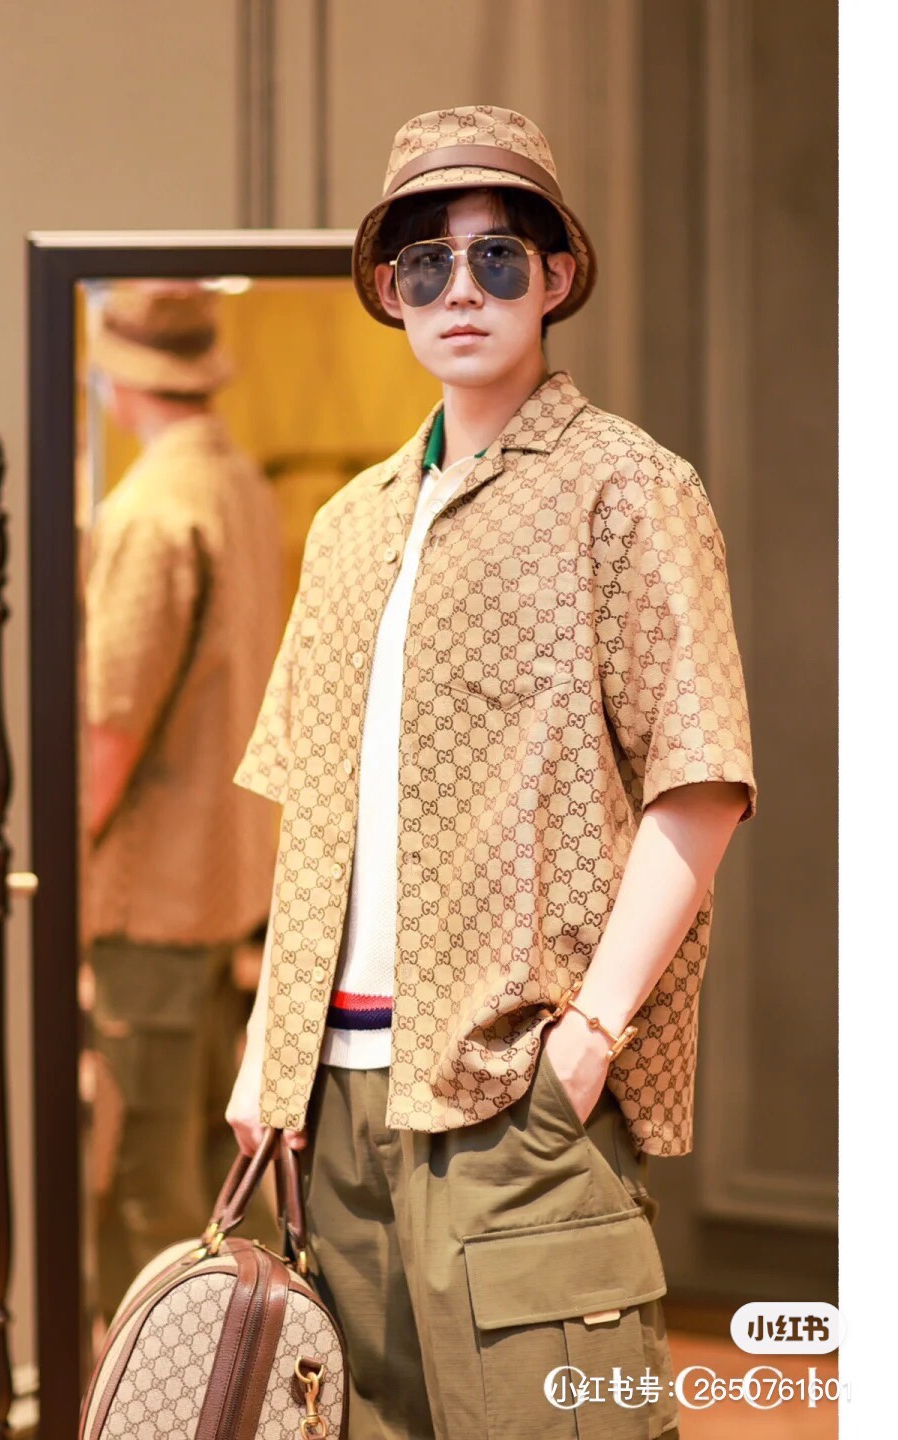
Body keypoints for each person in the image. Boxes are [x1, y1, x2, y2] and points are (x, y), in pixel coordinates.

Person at [226, 106, 757, 1440]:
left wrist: (590, 1040)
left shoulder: (629, 489)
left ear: (556, 276)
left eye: (497, 257)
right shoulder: (349, 524)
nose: (460, 290)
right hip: (331, 1106)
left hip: (515, 1091)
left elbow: (700, 785)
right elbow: (315, 818)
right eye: (426, 263)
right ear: (389, 289)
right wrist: (266, 1055)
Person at [83, 281, 284, 1322]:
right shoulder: (239, 483)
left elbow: (108, 730)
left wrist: (57, 859)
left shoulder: (151, 511)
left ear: (118, 378)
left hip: (154, 898)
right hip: (231, 881)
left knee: (142, 1188)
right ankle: (248, 1382)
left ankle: (162, 1392)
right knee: (216, 1173)